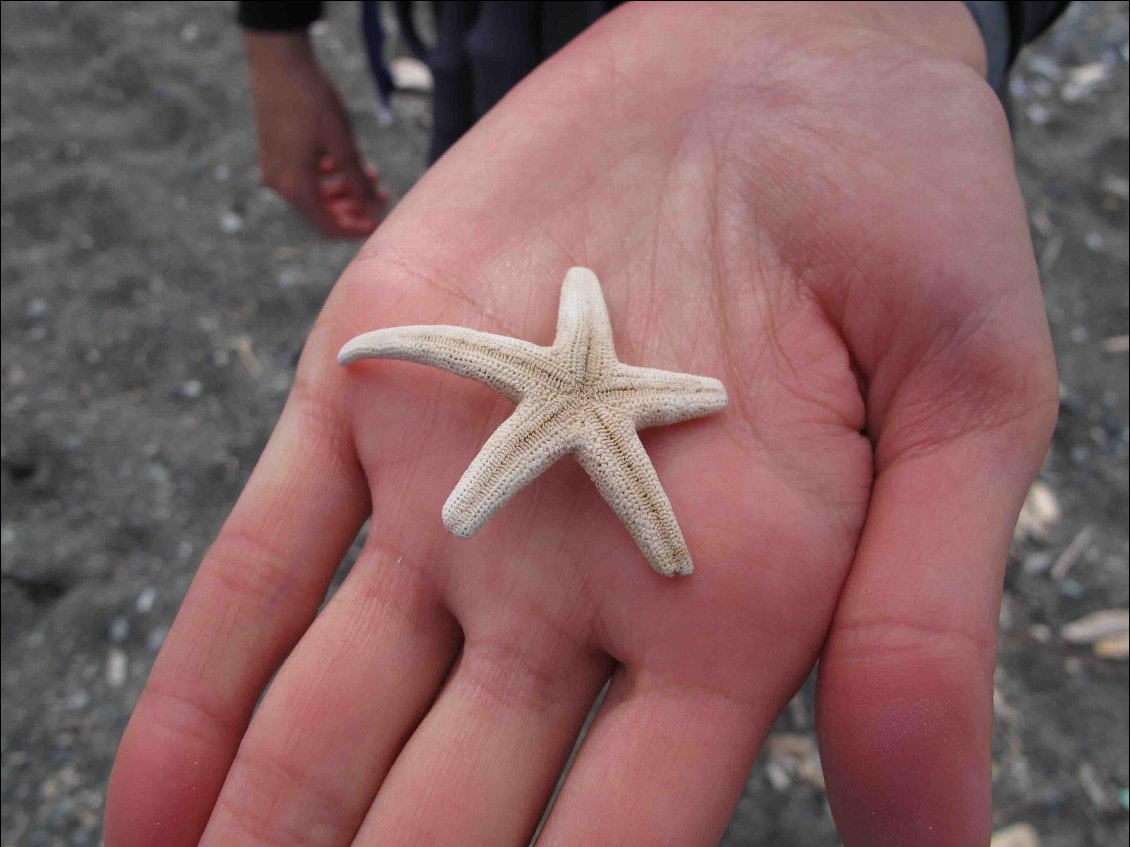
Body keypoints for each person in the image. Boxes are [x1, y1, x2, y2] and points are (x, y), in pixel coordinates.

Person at [105, 2, 1069, 845]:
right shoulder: (577, 341)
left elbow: (616, 384)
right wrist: (275, 28)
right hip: (498, 85)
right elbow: (539, 337)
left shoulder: (613, 375)